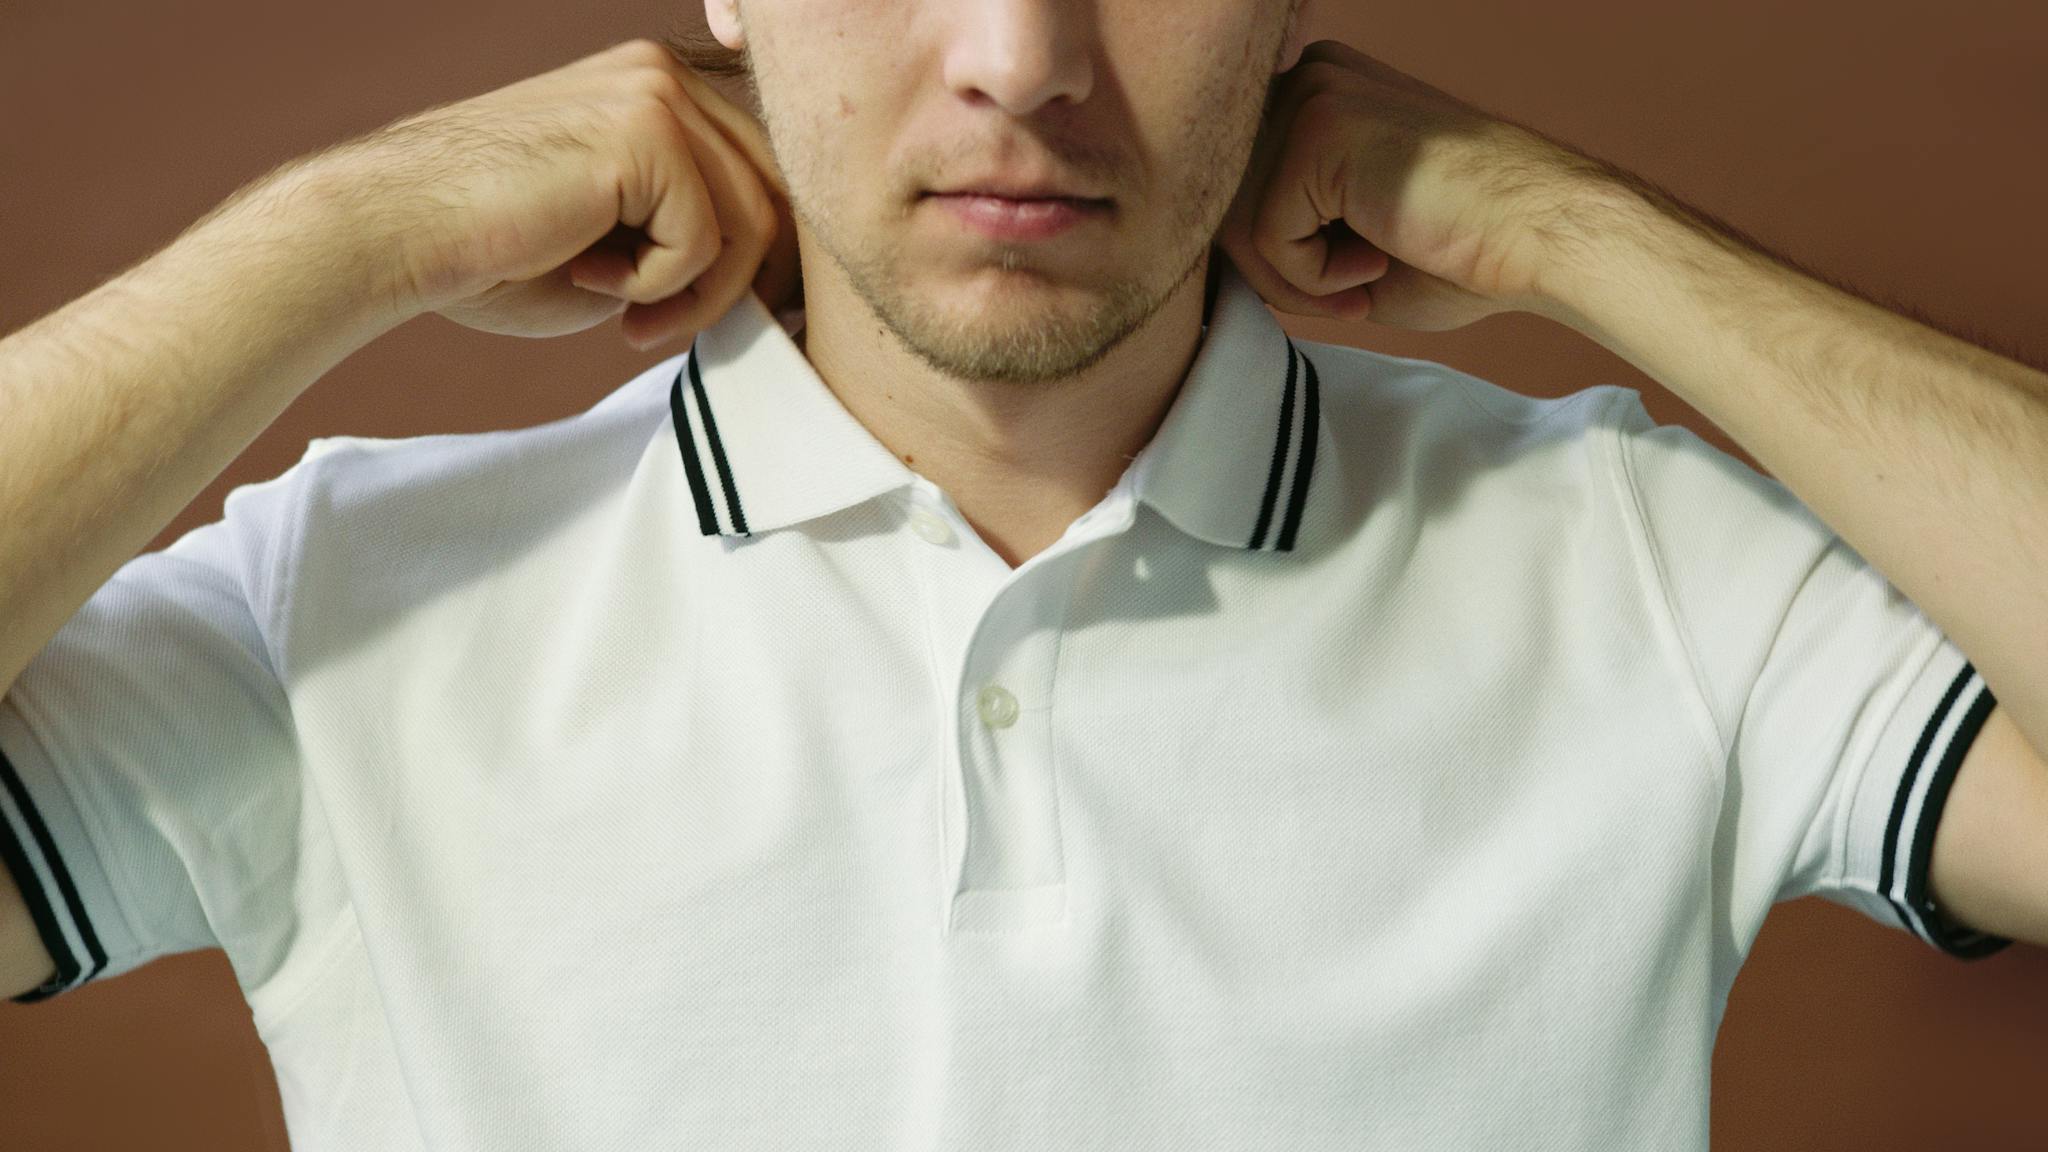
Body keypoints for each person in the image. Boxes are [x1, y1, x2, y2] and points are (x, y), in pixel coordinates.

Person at [2, 1, 2043, 1147]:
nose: (1017, 57)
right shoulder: (338, 606)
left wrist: (1587, 237)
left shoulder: (1642, 565)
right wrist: (346, 234)